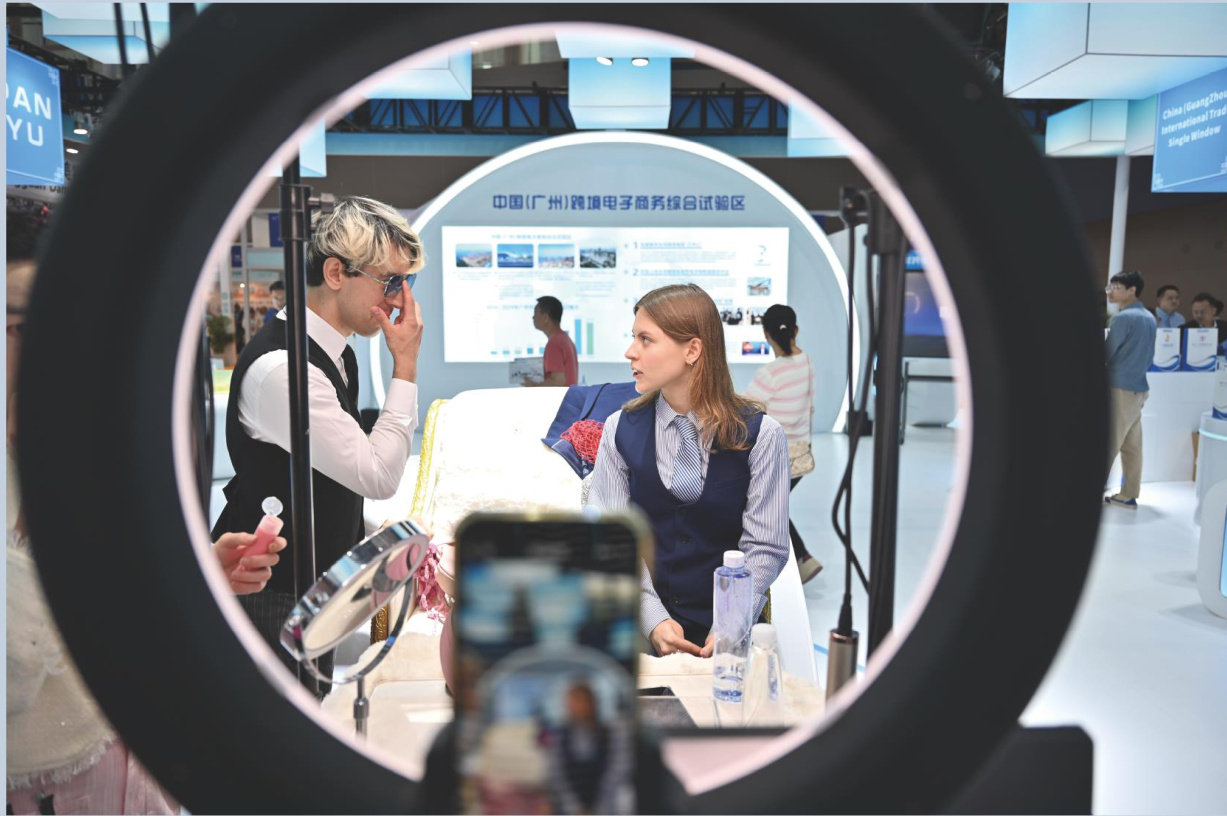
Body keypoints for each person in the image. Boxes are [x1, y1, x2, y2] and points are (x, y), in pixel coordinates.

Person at [6, 203, 286, 815]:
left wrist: (199, 573)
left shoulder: (86, 441)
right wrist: (38, 502)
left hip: (138, 763)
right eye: (24, 327)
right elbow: (13, 672)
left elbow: (112, 600)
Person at [211, 195, 425, 694]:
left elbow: (338, 475)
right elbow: (377, 475)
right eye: (390, 282)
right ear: (335, 273)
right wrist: (406, 366)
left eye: (406, 283)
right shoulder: (285, 370)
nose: (400, 300)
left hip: (309, 585)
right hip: (270, 592)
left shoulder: (336, 353)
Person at [587, 284, 789, 657]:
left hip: (731, 635)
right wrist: (652, 618)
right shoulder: (619, 429)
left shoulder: (763, 435)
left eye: (645, 339)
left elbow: (765, 547)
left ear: (692, 350)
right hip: (639, 629)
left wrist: (731, 621)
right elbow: (611, 537)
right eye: (633, 338)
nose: (630, 351)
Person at [744, 304, 823, 584]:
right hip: (801, 457)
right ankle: (802, 560)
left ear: (766, 334)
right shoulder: (807, 362)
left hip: (776, 457)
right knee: (772, 507)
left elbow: (746, 411)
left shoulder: (769, 374)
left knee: (764, 508)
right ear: (795, 330)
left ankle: (799, 559)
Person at [1104, 270, 1157, 509]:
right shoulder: (1149, 317)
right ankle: (1129, 494)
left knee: (1109, 442)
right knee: (1132, 446)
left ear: (1132, 290)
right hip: (1139, 388)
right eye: (1110, 287)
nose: (1110, 292)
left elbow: (1107, 353)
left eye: (1115, 287)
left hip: (1120, 388)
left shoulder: (1123, 318)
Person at [545, 682, 630, 815]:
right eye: (572, 703)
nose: (576, 707)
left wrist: (599, 807)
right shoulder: (559, 736)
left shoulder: (610, 733)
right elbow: (557, 775)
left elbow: (617, 771)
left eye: (581, 701)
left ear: (593, 703)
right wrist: (574, 808)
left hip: (604, 808)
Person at [523, 295, 579, 387]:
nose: (533, 318)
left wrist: (533, 386)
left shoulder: (554, 343)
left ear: (545, 318)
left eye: (535, 314)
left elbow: (558, 382)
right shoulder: (565, 339)